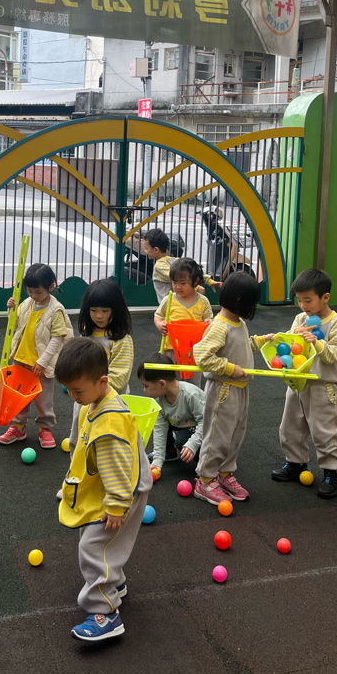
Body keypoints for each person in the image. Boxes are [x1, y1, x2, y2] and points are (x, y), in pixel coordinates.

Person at [57, 338, 151, 642]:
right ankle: (114, 582)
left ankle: (105, 613)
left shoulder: (109, 422)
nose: (73, 397)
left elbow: (118, 466)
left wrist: (117, 505)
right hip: (109, 488)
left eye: (78, 391)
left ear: (102, 381)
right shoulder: (96, 401)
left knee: (93, 546)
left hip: (120, 493)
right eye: (68, 391)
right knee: (102, 541)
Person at [192, 272, 274, 505]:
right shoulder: (220, 326)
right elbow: (201, 356)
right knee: (218, 436)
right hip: (223, 390)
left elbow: (242, 345)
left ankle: (225, 473)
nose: (253, 308)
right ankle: (205, 480)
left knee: (236, 434)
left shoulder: (238, 322)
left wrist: (262, 340)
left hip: (239, 388)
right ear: (240, 301)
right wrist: (229, 368)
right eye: (251, 303)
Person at [272, 268, 337, 499]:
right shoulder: (300, 319)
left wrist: (316, 342)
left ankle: (332, 472)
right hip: (297, 382)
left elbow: (336, 353)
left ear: (325, 297)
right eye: (299, 300)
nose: (303, 306)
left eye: (308, 300)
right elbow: (289, 345)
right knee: (290, 426)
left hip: (322, 385)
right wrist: (294, 334)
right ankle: (295, 463)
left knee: (324, 430)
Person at [0, 263, 73, 449]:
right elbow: (16, 325)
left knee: (44, 400)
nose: (33, 295)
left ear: (51, 287)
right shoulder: (26, 303)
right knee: (19, 396)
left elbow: (57, 338)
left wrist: (42, 361)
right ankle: (18, 427)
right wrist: (11, 311)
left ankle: (45, 428)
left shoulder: (56, 310)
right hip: (21, 359)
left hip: (40, 365)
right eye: (30, 291)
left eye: (38, 292)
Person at [137, 353, 205, 481]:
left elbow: (207, 422)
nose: (144, 390)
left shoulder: (190, 395)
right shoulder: (159, 399)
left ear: (162, 384)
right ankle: (170, 452)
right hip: (180, 422)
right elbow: (159, 428)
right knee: (159, 422)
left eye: (146, 386)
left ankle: (208, 463)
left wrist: (192, 444)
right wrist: (157, 461)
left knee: (182, 441)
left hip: (203, 425)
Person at [78, 279, 134, 395]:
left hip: (111, 398)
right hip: (86, 394)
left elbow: (119, 375)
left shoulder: (121, 340)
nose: (99, 316)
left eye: (105, 311)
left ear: (117, 309)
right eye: (93, 310)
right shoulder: (86, 333)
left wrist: (93, 389)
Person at [154, 257, 214, 337]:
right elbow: (158, 316)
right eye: (174, 283)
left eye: (183, 283)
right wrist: (159, 324)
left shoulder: (203, 301)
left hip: (195, 343)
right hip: (172, 343)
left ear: (196, 281)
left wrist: (208, 321)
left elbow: (208, 318)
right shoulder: (168, 300)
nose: (178, 287)